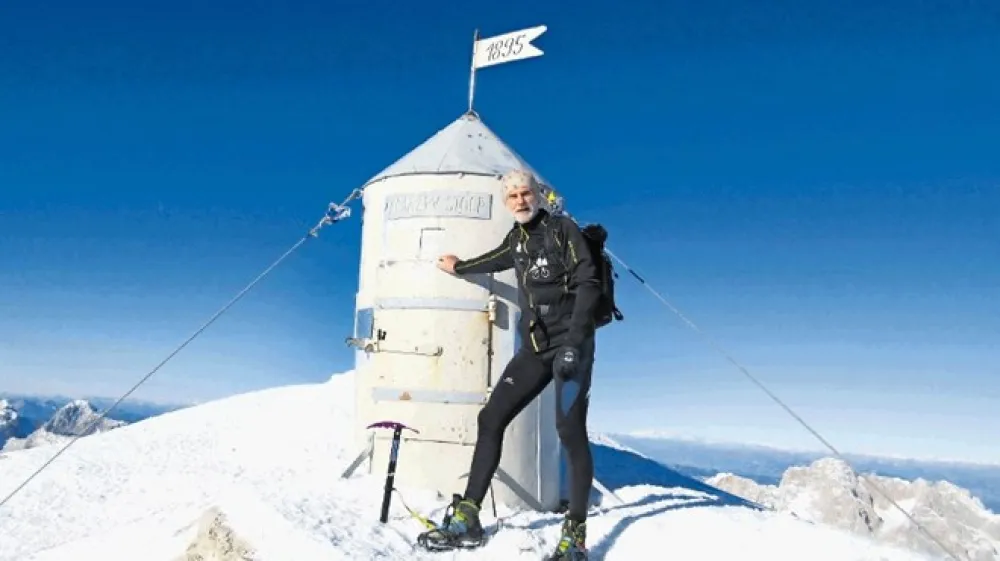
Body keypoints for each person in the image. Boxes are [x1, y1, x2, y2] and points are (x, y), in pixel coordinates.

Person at [420, 168, 601, 560]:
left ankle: (576, 533)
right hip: (536, 348)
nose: (520, 200)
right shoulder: (516, 240)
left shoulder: (563, 230)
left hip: (571, 346)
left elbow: (589, 283)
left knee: (569, 430)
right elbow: (493, 260)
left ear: (538, 194)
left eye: (525, 193)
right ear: (507, 203)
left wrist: (574, 344)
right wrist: (459, 266)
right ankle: (469, 515)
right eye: (512, 196)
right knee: (491, 418)